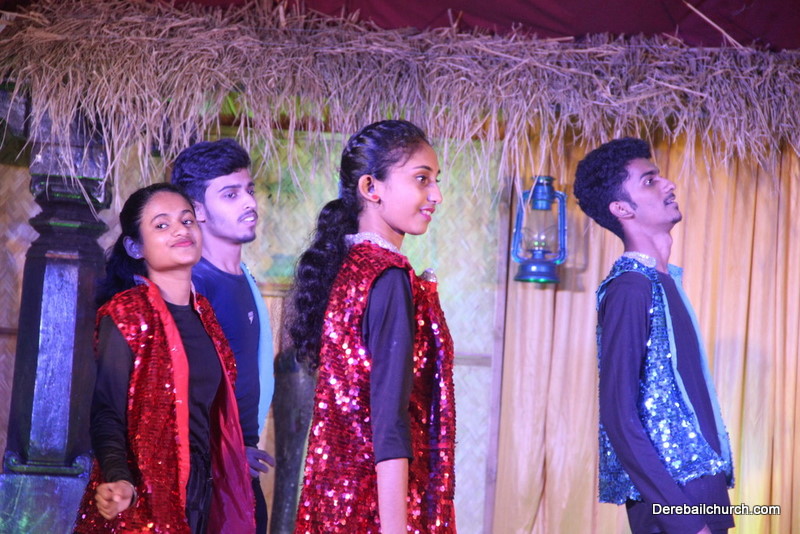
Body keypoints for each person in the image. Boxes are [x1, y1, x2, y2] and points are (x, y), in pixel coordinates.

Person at [288, 119, 456, 533]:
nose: (436, 195)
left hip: (334, 501)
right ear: (371, 187)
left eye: (435, 180)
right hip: (376, 509)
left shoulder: (348, 268)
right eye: (422, 179)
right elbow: (389, 421)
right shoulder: (389, 276)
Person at [573, 138, 735, 534]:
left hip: (703, 488)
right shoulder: (630, 287)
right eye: (649, 181)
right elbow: (619, 415)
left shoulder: (664, 282)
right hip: (673, 501)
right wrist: (682, 517)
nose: (668, 184)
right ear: (622, 208)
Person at [74, 183, 254, 533]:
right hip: (143, 497)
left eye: (187, 221)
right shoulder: (127, 313)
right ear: (135, 246)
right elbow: (107, 410)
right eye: (162, 224)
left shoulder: (206, 316)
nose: (180, 230)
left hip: (202, 492)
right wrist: (118, 478)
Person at [171, 138, 274, 533]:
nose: (249, 202)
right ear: (197, 210)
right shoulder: (195, 286)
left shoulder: (244, 276)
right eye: (230, 194)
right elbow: (181, 392)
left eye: (249, 190)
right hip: (207, 482)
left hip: (241, 465)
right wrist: (224, 457)